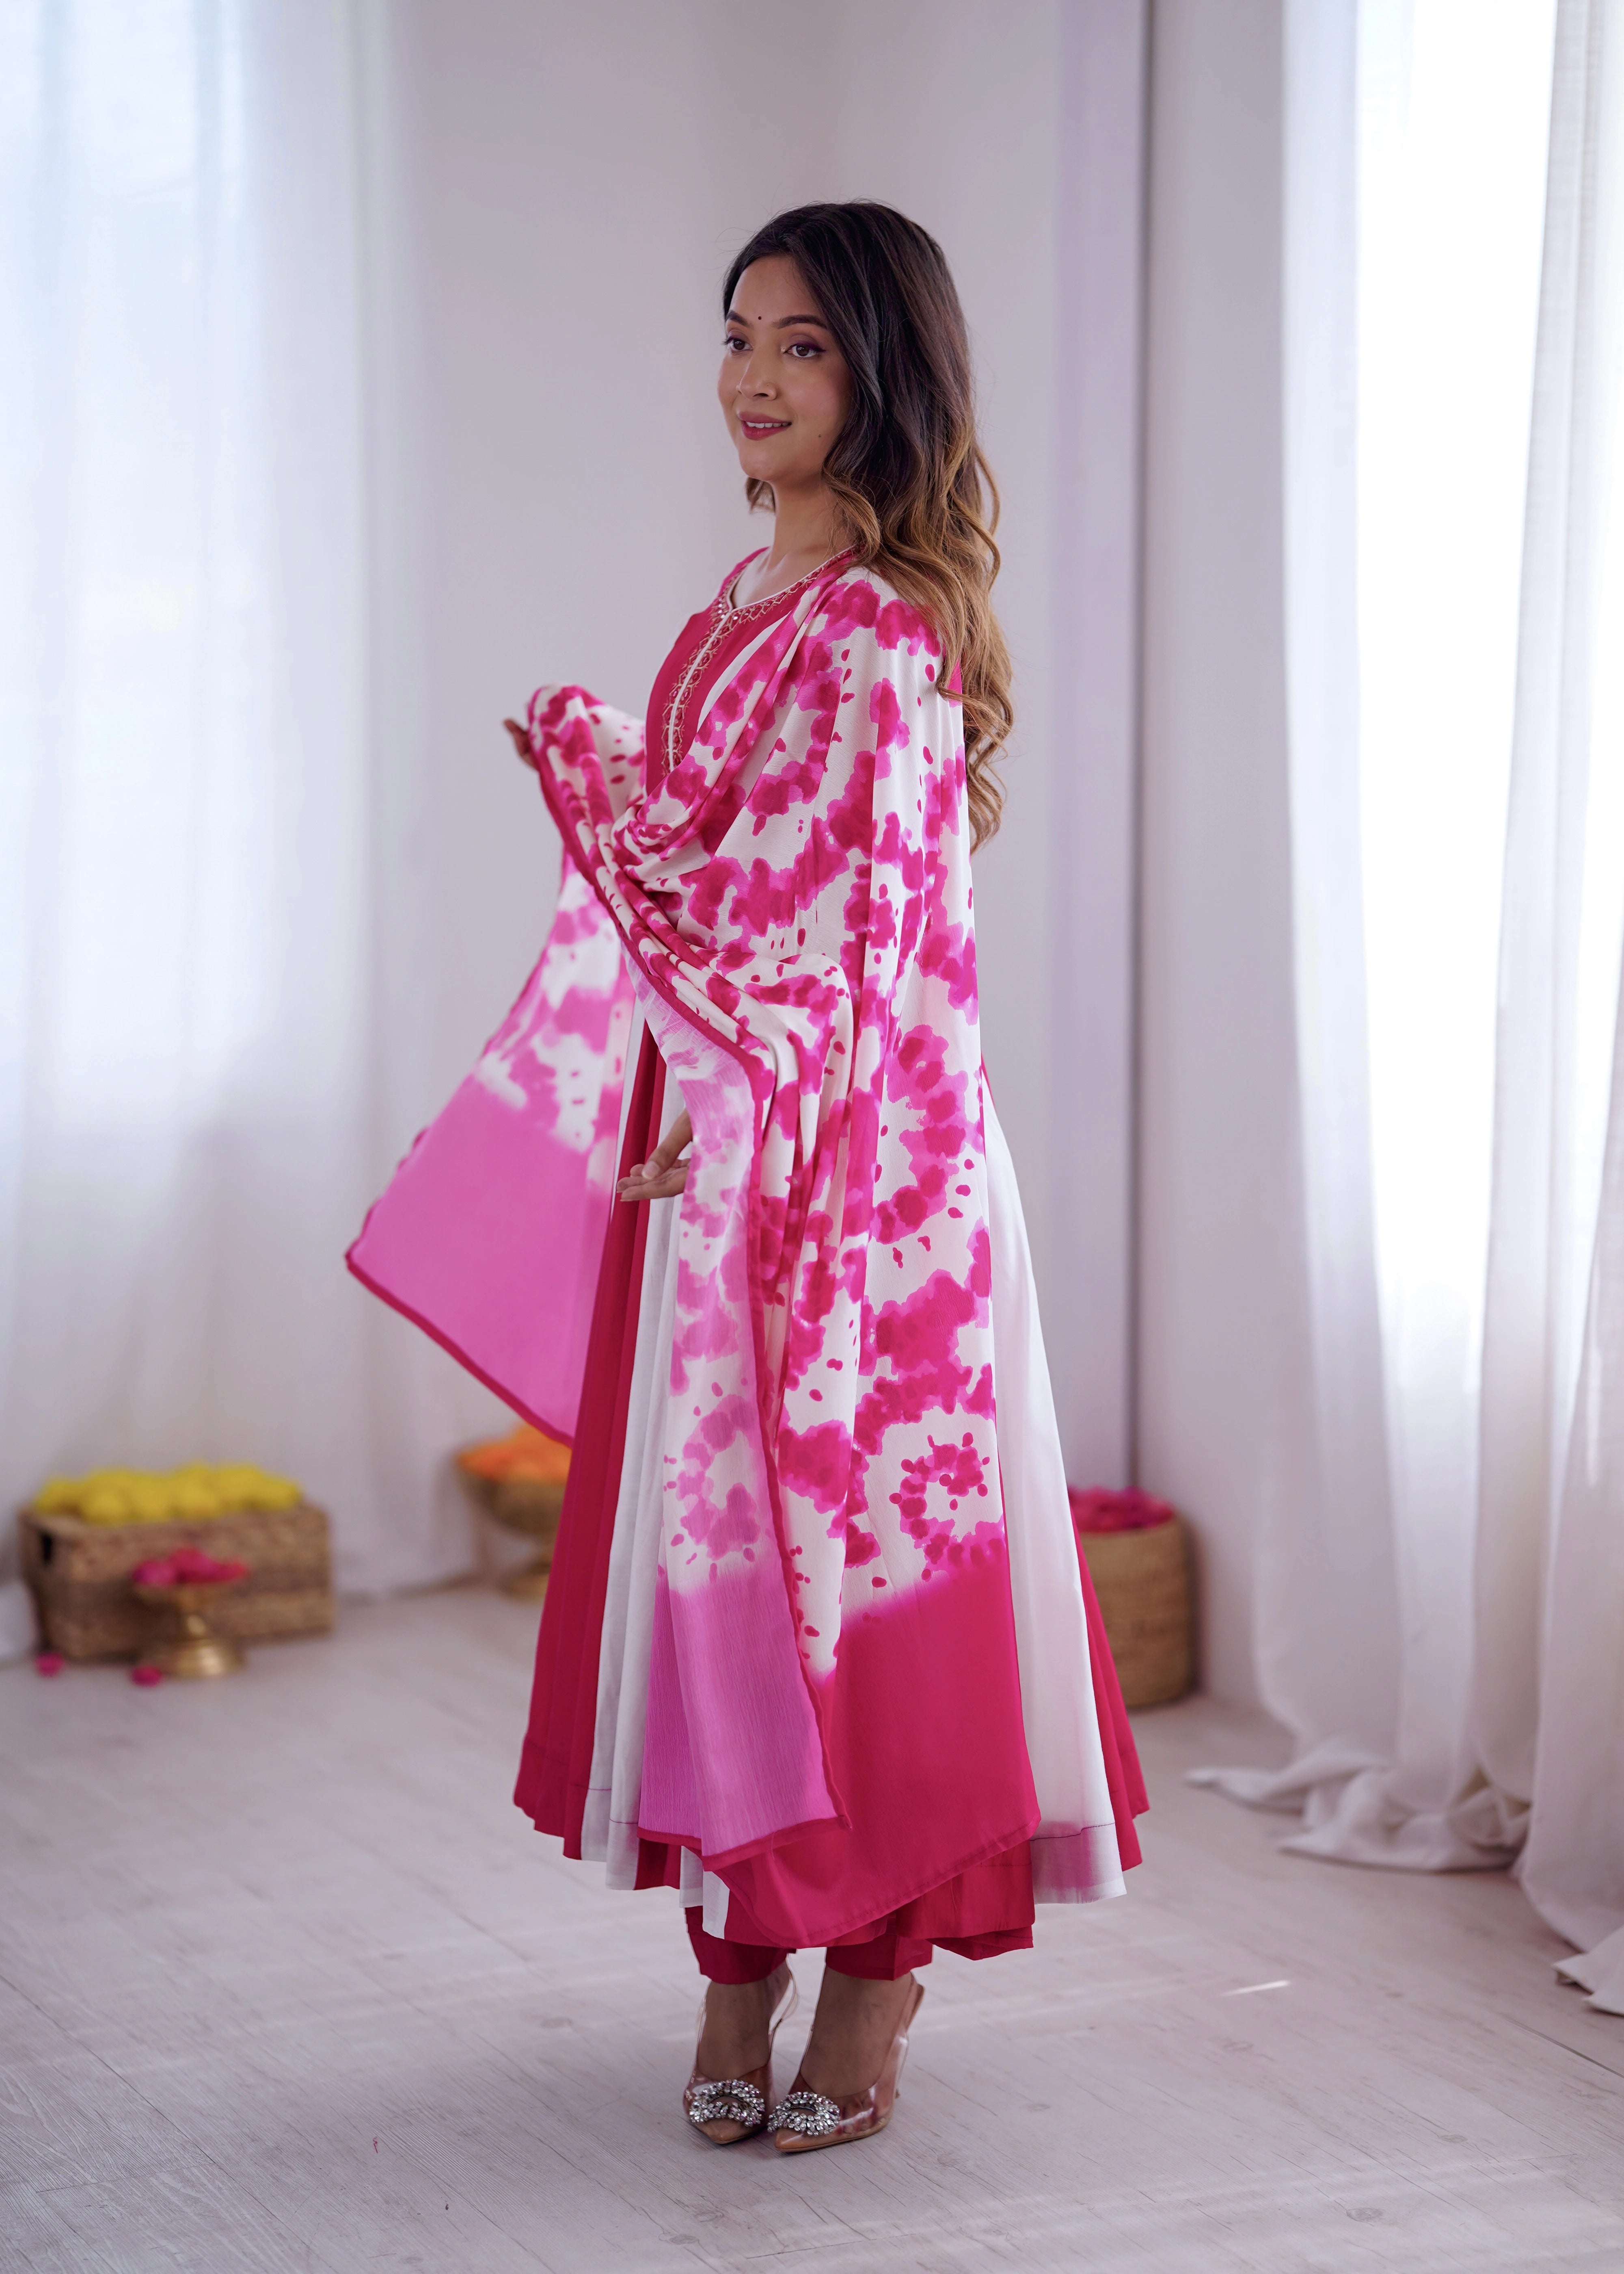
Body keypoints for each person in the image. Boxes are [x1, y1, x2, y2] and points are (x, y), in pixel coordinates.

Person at [351, 201, 1145, 2157]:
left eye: (801, 344)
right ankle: (739, 1937)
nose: (754, 378)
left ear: (883, 373)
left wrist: (753, 1094)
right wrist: (608, 761)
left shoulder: (877, 628)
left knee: (857, 1570)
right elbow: (719, 883)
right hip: (726, 1142)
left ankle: (869, 1966)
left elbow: (849, 931)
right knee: (726, 1571)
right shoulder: (728, 613)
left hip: (866, 1175)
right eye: (737, 337)